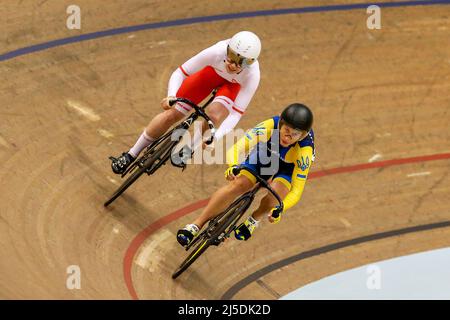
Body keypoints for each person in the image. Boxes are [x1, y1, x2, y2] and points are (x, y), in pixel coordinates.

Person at [110, 31, 262, 174]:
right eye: (231, 57)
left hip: (232, 86)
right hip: (210, 75)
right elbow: (181, 72)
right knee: (171, 115)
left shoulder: (253, 75)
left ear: (249, 63)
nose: (232, 65)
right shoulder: (217, 51)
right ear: (227, 49)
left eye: (239, 63)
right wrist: (171, 96)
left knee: (214, 117)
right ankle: (131, 154)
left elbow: (236, 113)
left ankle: (191, 147)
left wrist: (216, 137)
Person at [177, 103, 316, 246]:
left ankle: (254, 220)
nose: (288, 137)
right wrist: (233, 167)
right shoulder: (270, 125)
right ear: (280, 123)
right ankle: (196, 225)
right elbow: (238, 148)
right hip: (266, 154)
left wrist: (280, 208)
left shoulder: (304, 152)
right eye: (286, 130)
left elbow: (297, 191)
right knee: (238, 184)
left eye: (295, 134)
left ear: (303, 135)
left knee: (276, 195)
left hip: (288, 168)